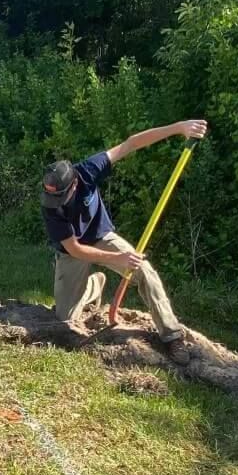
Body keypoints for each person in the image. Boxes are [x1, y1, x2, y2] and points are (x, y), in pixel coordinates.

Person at [40, 119, 208, 365]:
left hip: (101, 237)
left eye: (61, 196)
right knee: (65, 320)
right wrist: (117, 259)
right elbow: (74, 249)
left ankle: (172, 335)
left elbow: (131, 144)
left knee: (145, 271)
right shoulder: (50, 206)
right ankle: (93, 286)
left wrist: (178, 128)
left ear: (74, 183)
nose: (57, 202)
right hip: (73, 252)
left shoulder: (88, 170)